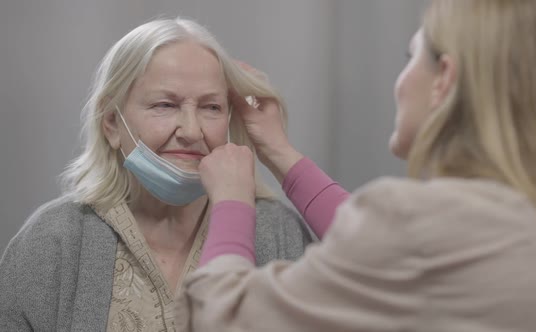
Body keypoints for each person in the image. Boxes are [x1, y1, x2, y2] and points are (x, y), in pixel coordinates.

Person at [176, 0, 536, 331]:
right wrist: (280, 153)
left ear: (444, 79)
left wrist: (232, 200)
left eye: (410, 55)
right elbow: (392, 257)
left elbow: (222, 317)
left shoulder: (416, 225)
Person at [0, 18, 313, 331]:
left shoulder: (279, 233)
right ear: (111, 123)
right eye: (165, 104)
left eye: (211, 107)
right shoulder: (53, 239)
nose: (191, 131)